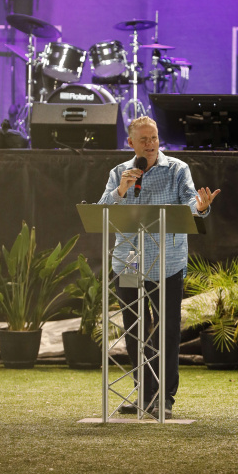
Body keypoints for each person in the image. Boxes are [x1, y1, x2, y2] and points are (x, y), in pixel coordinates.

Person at [98, 115, 220, 417]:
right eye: (143, 139)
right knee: (134, 329)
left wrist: (200, 208)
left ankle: (164, 398)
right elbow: (101, 211)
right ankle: (143, 394)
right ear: (131, 143)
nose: (150, 144)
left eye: (153, 138)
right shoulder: (119, 173)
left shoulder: (177, 169)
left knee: (167, 330)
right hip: (129, 262)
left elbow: (189, 202)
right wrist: (121, 191)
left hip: (167, 262)